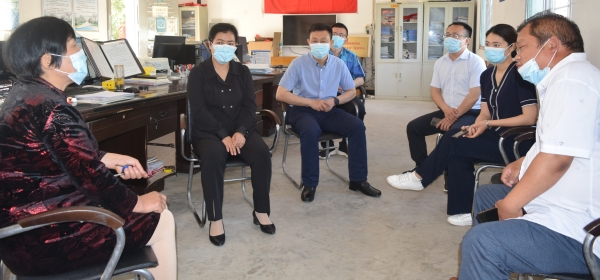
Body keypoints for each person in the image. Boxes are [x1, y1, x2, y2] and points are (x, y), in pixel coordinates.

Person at [0, 17, 176, 279]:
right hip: (46, 237)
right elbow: (93, 179)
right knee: (161, 218)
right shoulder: (54, 110)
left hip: (20, 233)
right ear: (48, 60)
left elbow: (58, 154)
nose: (80, 52)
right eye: (73, 46)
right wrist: (138, 202)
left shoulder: (24, 94)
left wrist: (108, 158)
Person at [455, 12, 600, 279]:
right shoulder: (564, 78)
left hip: (579, 231)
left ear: (552, 45)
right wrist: (523, 162)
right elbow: (558, 142)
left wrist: (512, 204)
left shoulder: (572, 80)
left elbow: (558, 159)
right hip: (559, 200)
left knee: (481, 242)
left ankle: (483, 262)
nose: (516, 56)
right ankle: (480, 271)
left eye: (521, 47)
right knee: (487, 196)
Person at [386, 24, 538, 227]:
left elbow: (529, 118)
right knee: (458, 144)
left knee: (454, 139)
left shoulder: (521, 76)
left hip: (516, 140)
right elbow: (485, 111)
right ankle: (463, 210)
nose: (491, 49)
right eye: (488, 44)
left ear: (512, 47)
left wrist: (486, 123)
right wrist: (477, 126)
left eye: (497, 45)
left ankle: (420, 176)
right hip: (492, 132)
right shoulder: (487, 76)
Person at [187, 23, 274, 247]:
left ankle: (261, 211)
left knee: (262, 154)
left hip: (240, 130)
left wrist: (241, 131)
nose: (225, 47)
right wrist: (222, 135)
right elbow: (199, 111)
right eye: (220, 42)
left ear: (236, 46)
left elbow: (249, 106)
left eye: (230, 43)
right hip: (208, 132)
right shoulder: (198, 74)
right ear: (210, 44)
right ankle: (215, 219)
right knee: (213, 156)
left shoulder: (242, 72)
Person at [276, 23, 381, 202]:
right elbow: (281, 94)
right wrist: (310, 102)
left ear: (330, 42)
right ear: (308, 42)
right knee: (310, 131)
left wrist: (335, 101)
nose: (319, 44)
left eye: (323, 41)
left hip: (329, 109)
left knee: (357, 126)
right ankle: (310, 184)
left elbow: (350, 90)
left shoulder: (338, 64)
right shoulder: (298, 64)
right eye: (315, 41)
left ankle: (358, 180)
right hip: (303, 111)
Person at [398, 22, 486, 173]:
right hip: (446, 112)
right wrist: (446, 111)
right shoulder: (440, 62)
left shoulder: (475, 62)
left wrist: (452, 117)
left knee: (453, 134)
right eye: (448, 35)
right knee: (414, 128)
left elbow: (474, 95)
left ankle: (445, 174)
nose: (450, 38)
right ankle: (422, 168)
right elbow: (435, 91)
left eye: (456, 35)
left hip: (470, 113)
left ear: (467, 40)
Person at [319, 22, 366, 158]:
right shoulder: (319, 54)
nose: (337, 37)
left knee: (359, 109)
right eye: (334, 34)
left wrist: (348, 84)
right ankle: (327, 145)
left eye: (341, 35)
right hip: (324, 94)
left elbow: (361, 78)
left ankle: (345, 144)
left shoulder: (351, 56)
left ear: (346, 39)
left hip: (345, 93)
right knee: (320, 108)